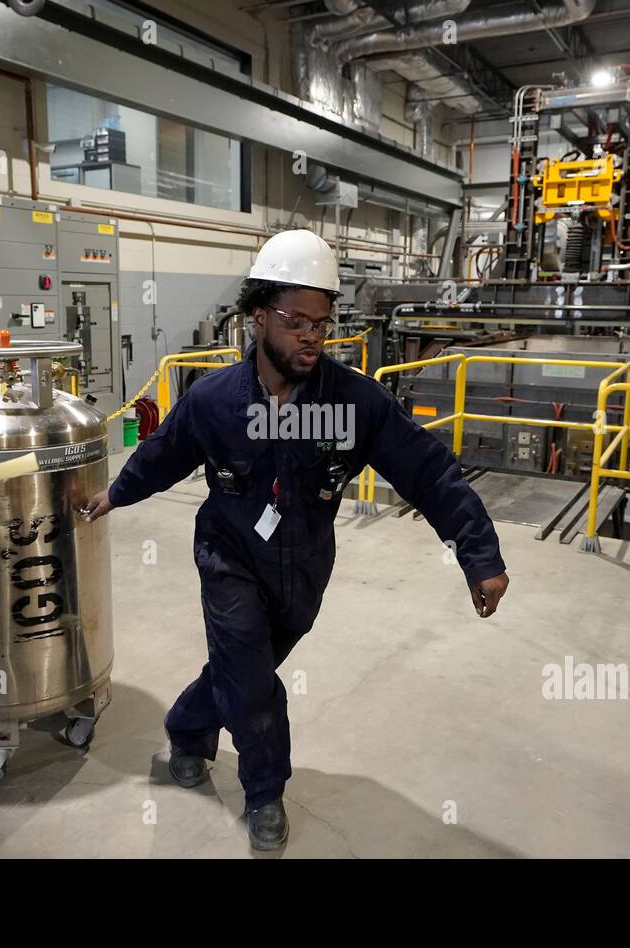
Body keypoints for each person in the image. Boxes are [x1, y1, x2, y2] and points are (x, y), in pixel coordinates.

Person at [84, 229, 509, 850]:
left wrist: (479, 556)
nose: (312, 335)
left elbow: (430, 473)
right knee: (252, 682)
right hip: (228, 558)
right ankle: (264, 794)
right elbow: (163, 453)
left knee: (240, 670)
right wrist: (115, 493)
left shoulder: (356, 403)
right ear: (259, 317)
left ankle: (186, 729)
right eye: (295, 321)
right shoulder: (214, 401)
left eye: (323, 323)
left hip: (304, 573)